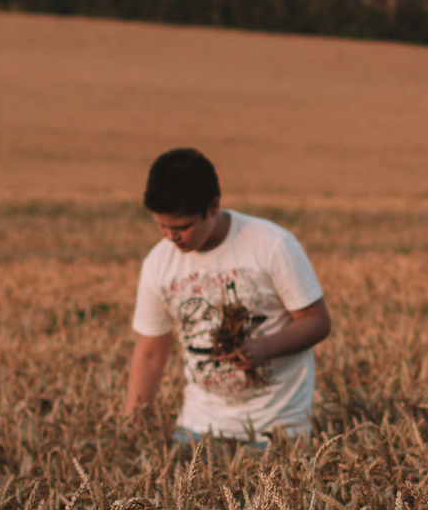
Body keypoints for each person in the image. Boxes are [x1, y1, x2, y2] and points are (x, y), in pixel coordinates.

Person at [121, 148, 333, 446]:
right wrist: (133, 424)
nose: (170, 237)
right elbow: (150, 352)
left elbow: (317, 321)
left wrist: (264, 347)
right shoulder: (158, 263)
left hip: (278, 432)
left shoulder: (271, 245)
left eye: (182, 227)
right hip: (197, 430)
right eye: (161, 226)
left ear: (213, 206)